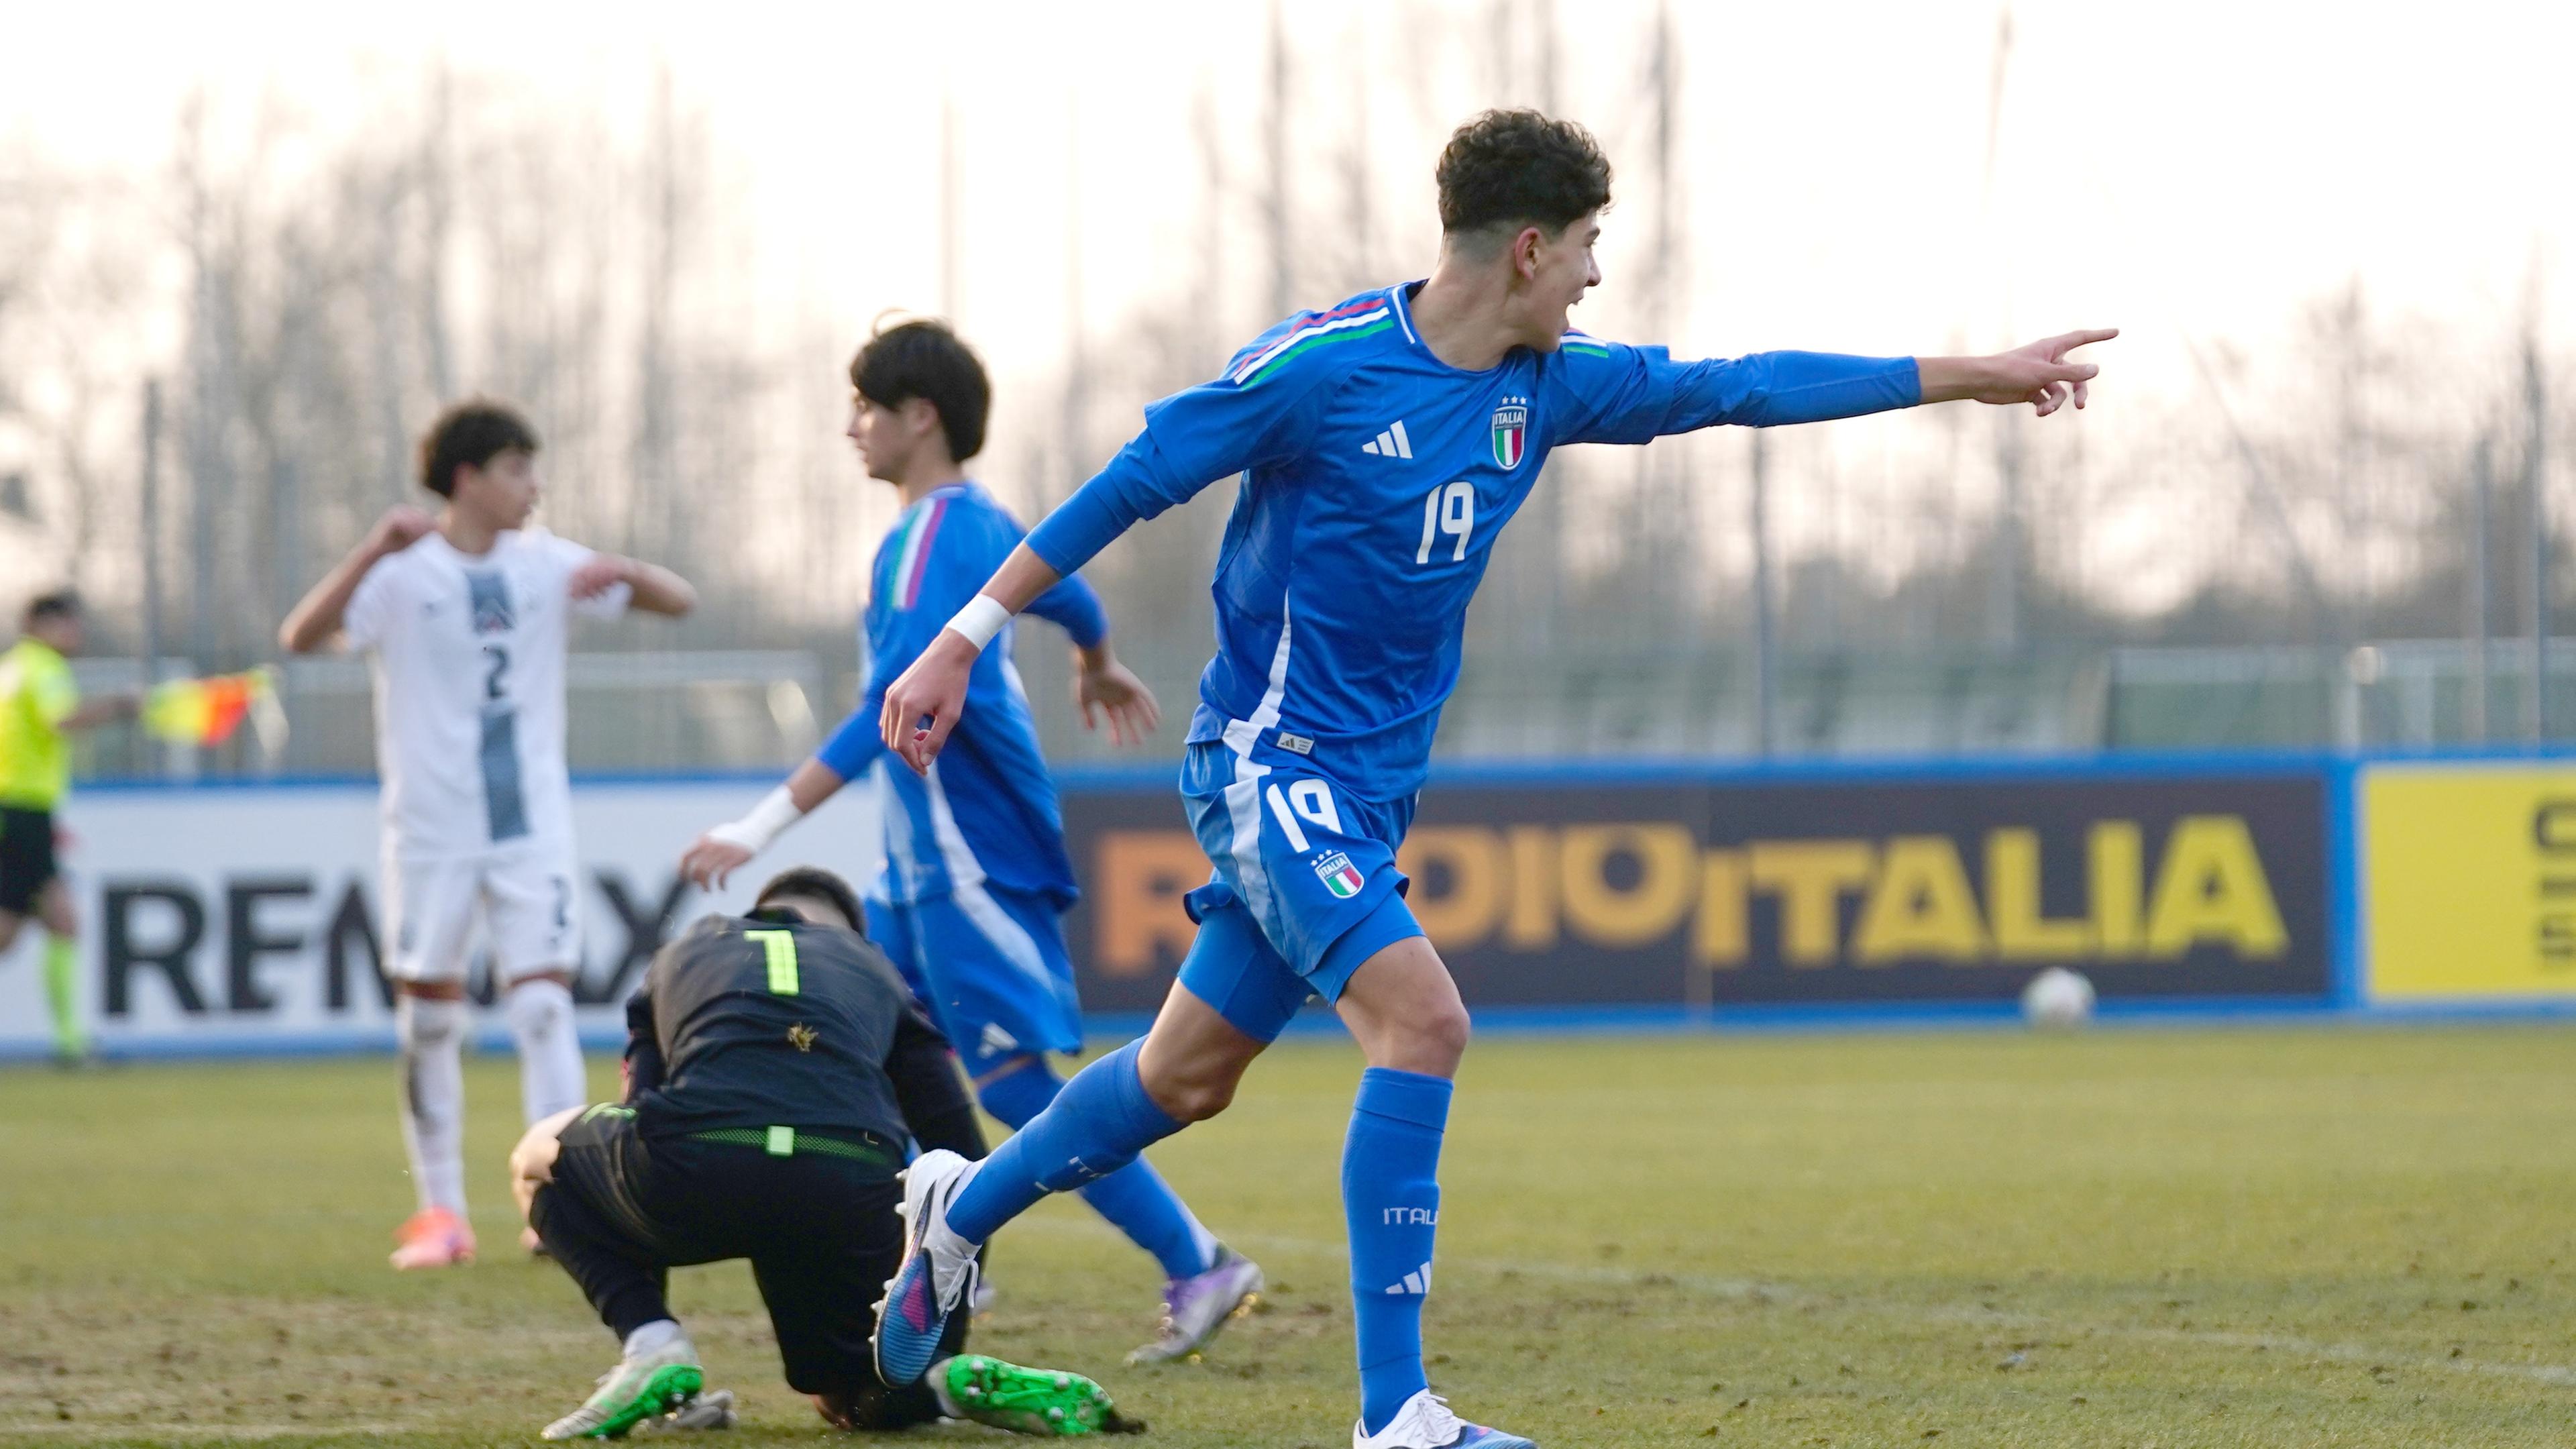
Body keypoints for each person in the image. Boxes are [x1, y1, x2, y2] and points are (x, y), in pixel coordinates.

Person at [865, 109, 2118, 1449]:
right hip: (1263, 765)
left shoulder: (1548, 384)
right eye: (1587, 250)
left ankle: (960, 1210)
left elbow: (1743, 383)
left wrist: (1968, 376)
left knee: (1184, 1080)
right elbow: (1132, 484)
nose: (1594, 278)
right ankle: (1397, 1414)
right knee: (1426, 1022)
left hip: (1368, 791)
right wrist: (961, 640)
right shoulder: (1324, 367)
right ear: (1528, 250)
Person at [679, 319, 1263, 1363]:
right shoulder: (974, 522)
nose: (851, 426)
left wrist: (757, 827)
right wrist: (1094, 653)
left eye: (866, 407)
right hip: (917, 871)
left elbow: (884, 713)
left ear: (920, 417)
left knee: (1018, 1085)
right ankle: (945, 1257)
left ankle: (1197, 1262)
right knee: (867, 1055)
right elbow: (1066, 587)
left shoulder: (934, 536)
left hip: (967, 856)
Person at [280, 400, 698, 1270]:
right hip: (429, 833)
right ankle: (442, 1215)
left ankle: (556, 1204)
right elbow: (301, 637)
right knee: (430, 1026)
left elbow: (678, 601)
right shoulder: (404, 573)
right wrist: (368, 549)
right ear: (466, 478)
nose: (533, 487)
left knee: (544, 1006)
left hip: (530, 827)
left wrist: (622, 567)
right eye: (516, 468)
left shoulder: (548, 562)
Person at [509, 865, 1141, 1440]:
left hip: (700, 1166)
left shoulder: (687, 948)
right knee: (847, 1400)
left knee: (536, 1161)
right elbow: (964, 1158)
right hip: (845, 1181)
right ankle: (940, 1383)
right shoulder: (873, 968)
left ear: (762, 911)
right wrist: (939, 1337)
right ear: (846, 930)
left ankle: (653, 1344)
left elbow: (640, 1109)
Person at [0, 590, 138, 1065]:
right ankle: (69, 1043)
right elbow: (61, 719)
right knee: (46, 922)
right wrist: (120, 707)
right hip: (20, 810)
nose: (77, 634)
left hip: (19, 810)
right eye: (69, 624)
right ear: (40, 623)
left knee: (44, 922)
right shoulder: (43, 669)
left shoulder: (12, 667)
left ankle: (69, 1042)